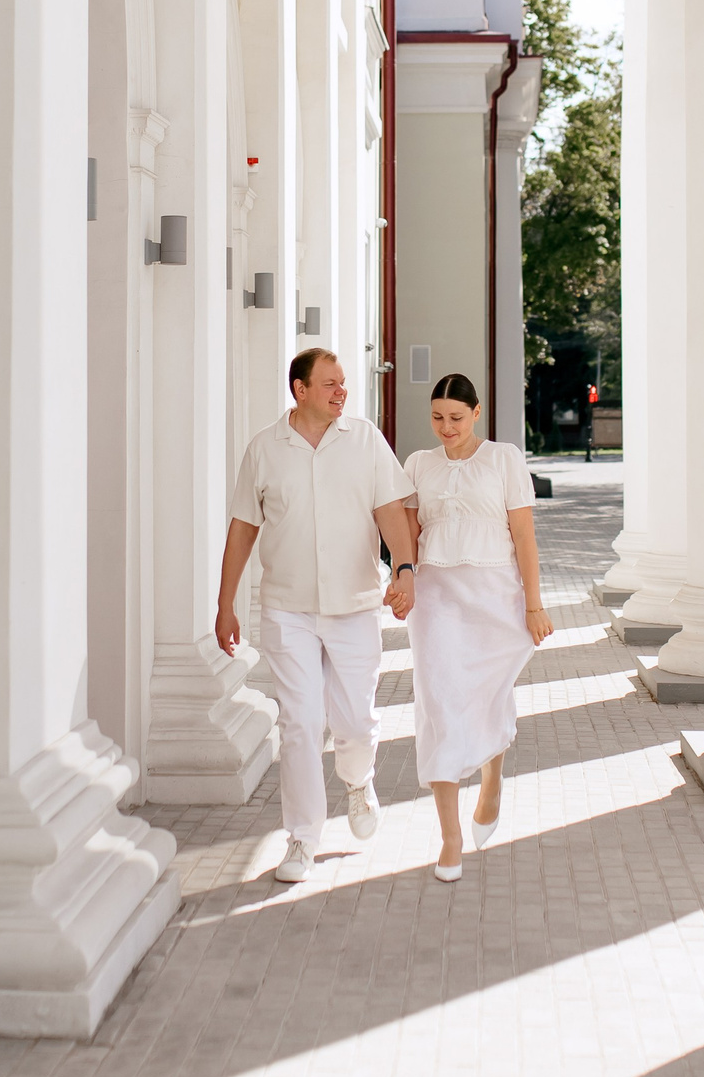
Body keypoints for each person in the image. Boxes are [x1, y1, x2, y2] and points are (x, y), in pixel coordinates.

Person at [218, 347, 419, 883]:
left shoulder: (365, 440)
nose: (341, 392)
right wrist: (225, 603)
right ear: (299, 390)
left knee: (354, 720)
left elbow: (391, 511)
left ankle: (357, 782)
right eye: (329, 384)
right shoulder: (264, 449)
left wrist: (404, 569)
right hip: (288, 608)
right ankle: (302, 840)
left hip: (354, 605)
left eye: (344, 384)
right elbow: (243, 527)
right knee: (301, 724)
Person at [401, 373, 552, 882]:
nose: (447, 427)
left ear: (477, 413)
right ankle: (449, 837)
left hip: (496, 596)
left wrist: (534, 604)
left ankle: (492, 781)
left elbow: (524, 536)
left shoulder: (504, 458)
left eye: (457, 418)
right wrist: (401, 582)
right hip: (438, 598)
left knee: (488, 696)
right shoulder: (419, 465)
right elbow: (409, 536)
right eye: (438, 417)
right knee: (438, 703)